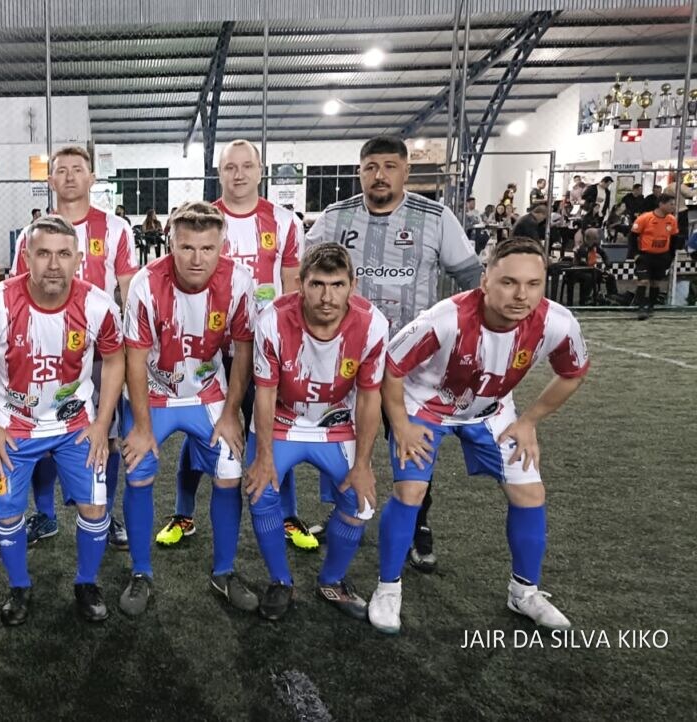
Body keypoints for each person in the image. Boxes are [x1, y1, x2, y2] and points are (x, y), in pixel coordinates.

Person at [369, 237, 589, 634]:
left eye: (533, 284)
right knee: (410, 491)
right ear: (485, 281)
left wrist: (529, 421)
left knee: (530, 493)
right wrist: (401, 424)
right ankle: (388, 588)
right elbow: (392, 367)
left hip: (491, 411)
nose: (521, 295)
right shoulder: (445, 319)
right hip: (426, 408)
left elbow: (572, 373)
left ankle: (523, 592)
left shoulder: (557, 322)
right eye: (509, 282)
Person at [306, 135, 482, 572]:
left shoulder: (435, 217)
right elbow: (303, 271)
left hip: (415, 362)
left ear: (406, 171)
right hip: (348, 356)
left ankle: (418, 522)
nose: (379, 175)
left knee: (412, 441)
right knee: (342, 435)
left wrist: (464, 334)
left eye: (389, 166)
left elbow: (471, 277)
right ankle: (343, 508)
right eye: (370, 167)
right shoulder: (335, 217)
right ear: (360, 172)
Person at [0, 215, 126, 624]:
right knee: (7, 514)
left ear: (78, 259)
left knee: (95, 508)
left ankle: (86, 582)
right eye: (43, 254)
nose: (53, 264)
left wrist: (102, 423)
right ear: (26, 257)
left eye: (63, 254)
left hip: (76, 427)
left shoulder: (98, 305)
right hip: (12, 428)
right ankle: (19, 586)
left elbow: (114, 359)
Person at [163, 139, 310, 552]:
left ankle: (288, 515)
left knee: (273, 429)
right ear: (220, 173)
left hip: (267, 350)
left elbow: (292, 287)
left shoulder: (285, 222)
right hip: (211, 349)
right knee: (203, 430)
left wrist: (289, 344)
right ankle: (183, 512)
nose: (239, 174)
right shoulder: (204, 220)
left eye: (247, 166)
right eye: (230, 167)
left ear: (261, 171)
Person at [118, 201, 257, 617]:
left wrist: (231, 413)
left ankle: (224, 571)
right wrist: (142, 426)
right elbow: (134, 359)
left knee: (230, 472)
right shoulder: (145, 283)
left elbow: (243, 351)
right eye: (187, 247)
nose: (197, 259)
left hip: (207, 394)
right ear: (170, 244)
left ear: (221, 247)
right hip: (152, 394)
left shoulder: (239, 280)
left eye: (207, 248)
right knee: (139, 472)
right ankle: (141, 572)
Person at [243, 243, 388, 622]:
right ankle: (280, 581)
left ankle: (331, 580)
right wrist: (263, 456)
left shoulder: (373, 324)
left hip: (336, 422)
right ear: (300, 284)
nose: (327, 296)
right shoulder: (273, 320)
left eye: (337, 285)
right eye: (317, 284)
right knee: (260, 492)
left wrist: (363, 464)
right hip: (282, 419)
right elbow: (264, 392)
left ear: (353, 285)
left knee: (361, 502)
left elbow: (369, 398)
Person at [11, 146, 138, 549]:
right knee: (39, 434)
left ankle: (105, 511)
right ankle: (45, 515)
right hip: (44, 357)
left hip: (99, 355)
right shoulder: (32, 234)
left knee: (106, 434)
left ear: (91, 178)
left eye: (77, 169)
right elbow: (17, 294)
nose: (69, 176)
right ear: (50, 180)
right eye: (61, 170)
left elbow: (129, 290)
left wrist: (130, 348)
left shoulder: (116, 228)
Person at [630, 193, 680, 319]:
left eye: (674, 204)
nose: (673, 207)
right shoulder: (645, 218)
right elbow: (632, 237)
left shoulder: (672, 220)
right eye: (671, 204)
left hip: (662, 256)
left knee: (655, 283)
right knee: (643, 280)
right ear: (661, 204)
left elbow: (674, 239)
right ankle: (640, 307)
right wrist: (635, 255)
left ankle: (651, 307)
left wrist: (671, 256)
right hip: (645, 255)